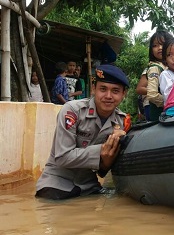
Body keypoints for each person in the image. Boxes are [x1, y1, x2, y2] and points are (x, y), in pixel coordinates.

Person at [36, 64, 129, 200]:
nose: (108, 96)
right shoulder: (72, 110)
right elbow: (63, 157)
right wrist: (102, 149)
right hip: (56, 184)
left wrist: (108, 160)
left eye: (115, 91)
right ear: (93, 89)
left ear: (123, 94)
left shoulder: (120, 122)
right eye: (103, 89)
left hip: (89, 185)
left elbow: (102, 173)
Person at [135, 30, 172, 121]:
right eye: (155, 45)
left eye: (162, 44)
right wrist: (164, 98)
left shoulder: (169, 66)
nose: (159, 48)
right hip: (156, 108)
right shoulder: (154, 67)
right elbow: (140, 89)